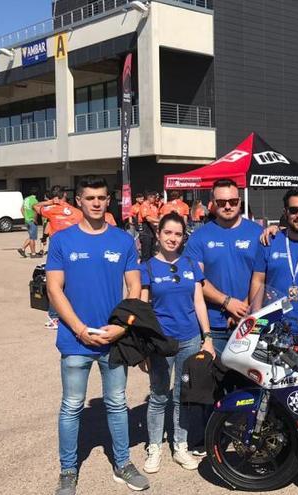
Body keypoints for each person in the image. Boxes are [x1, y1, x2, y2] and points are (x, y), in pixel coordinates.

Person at [45, 176, 149, 495]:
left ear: (108, 201)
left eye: (102, 198)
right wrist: (78, 328)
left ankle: (122, 462)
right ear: (78, 200)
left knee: (117, 403)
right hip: (75, 341)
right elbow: (54, 289)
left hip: (113, 339)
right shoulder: (63, 241)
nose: (96, 203)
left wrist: (122, 327)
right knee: (72, 405)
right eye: (90, 198)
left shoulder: (122, 241)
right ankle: (67, 470)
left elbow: (135, 289)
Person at [139, 213, 213, 474]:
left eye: (178, 234)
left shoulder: (190, 264)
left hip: (190, 339)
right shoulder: (146, 267)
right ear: (158, 235)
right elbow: (141, 308)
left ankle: (180, 445)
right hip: (161, 342)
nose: (172, 238)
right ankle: (155, 446)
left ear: (184, 237)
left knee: (183, 395)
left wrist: (208, 337)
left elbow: (199, 302)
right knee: (159, 394)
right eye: (168, 233)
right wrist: (143, 348)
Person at [183, 178, 263, 354]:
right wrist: (227, 302)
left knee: (249, 381)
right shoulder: (199, 236)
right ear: (212, 204)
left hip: (251, 322)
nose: (228, 206)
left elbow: (263, 277)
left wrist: (243, 307)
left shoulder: (257, 233)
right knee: (215, 380)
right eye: (221, 202)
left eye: (233, 201)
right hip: (214, 326)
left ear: (240, 202)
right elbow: (196, 281)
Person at [249, 188, 298, 334]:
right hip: (273, 328)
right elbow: (258, 281)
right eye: (294, 210)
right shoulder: (269, 240)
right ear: (285, 212)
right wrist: (255, 322)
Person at [35, 186, 83, 330]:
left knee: (55, 285)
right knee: (73, 283)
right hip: (75, 250)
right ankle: (74, 314)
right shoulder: (77, 212)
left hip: (57, 251)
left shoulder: (52, 210)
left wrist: (49, 202)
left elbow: (35, 206)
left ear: (56, 197)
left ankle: (55, 317)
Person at [139, 191, 161, 262]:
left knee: (151, 251)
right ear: (149, 197)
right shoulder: (144, 205)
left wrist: (156, 232)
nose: (155, 199)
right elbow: (148, 219)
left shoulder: (152, 206)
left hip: (151, 230)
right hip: (145, 230)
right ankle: (144, 270)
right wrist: (161, 220)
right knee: (146, 252)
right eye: (154, 197)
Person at [19, 187, 40, 258]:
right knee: (32, 238)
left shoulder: (26, 199)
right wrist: (35, 220)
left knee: (31, 236)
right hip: (32, 221)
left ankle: (22, 249)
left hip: (26, 221)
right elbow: (36, 211)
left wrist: (25, 217)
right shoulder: (35, 200)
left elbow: (21, 209)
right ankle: (33, 253)